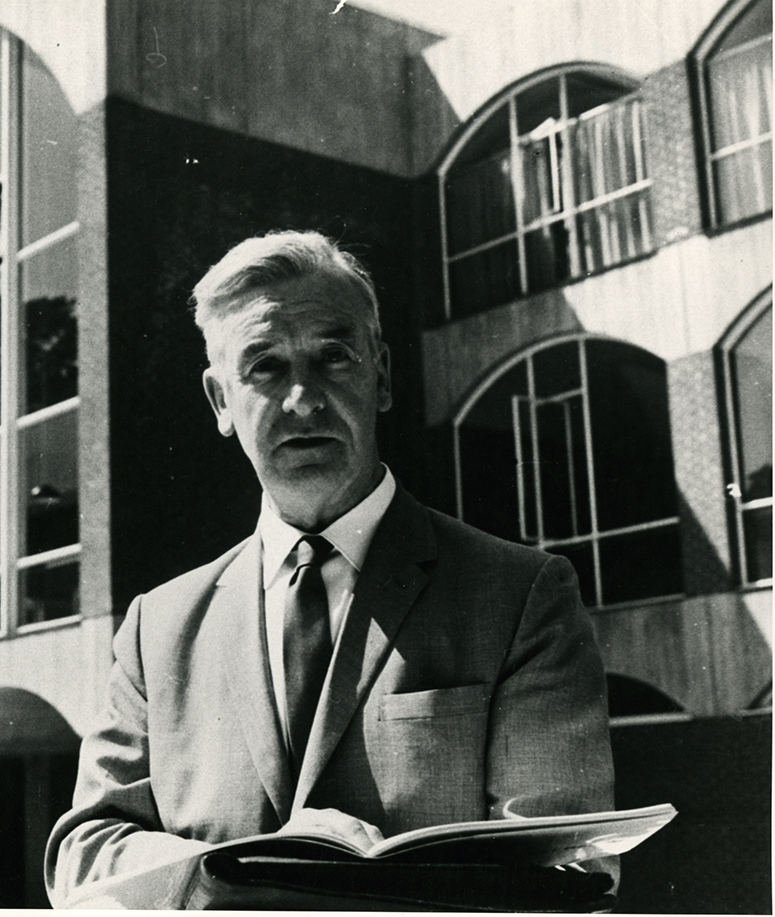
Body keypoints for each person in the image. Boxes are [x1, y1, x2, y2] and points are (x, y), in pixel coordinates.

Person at [45, 230, 616, 904]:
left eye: (333, 357)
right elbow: (85, 853)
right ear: (219, 402)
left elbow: (564, 880)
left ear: (383, 374)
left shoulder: (521, 597)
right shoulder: (157, 627)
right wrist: (240, 868)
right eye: (263, 366)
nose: (302, 399)